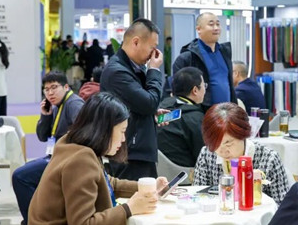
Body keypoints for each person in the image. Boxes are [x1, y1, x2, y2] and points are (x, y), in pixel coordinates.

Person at [23, 92, 168, 225]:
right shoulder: (80, 160)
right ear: (104, 129)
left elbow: (106, 182)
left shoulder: (73, 146)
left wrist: (145, 187)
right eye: (122, 132)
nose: (123, 139)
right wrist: (129, 209)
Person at [12, 71, 84, 225]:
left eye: (54, 87)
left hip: (67, 160)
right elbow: (42, 136)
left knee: (20, 176)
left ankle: (34, 224)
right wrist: (45, 115)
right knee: (25, 172)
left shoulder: (74, 104)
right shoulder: (56, 106)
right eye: (46, 89)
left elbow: (84, 133)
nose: (50, 93)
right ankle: (40, 219)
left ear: (66, 87)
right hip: (56, 157)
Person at [100, 18, 164, 181]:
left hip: (138, 150)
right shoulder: (117, 72)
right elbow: (149, 103)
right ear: (136, 42)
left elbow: (140, 105)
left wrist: (152, 114)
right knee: (134, 196)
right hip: (129, 154)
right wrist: (154, 71)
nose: (154, 54)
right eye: (152, 48)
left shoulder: (132, 68)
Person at [173, 12, 236, 110]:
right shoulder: (188, 57)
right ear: (199, 29)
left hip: (226, 112)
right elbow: (178, 91)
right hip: (201, 112)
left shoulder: (224, 52)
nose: (216, 28)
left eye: (218, 24)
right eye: (211, 24)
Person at [157, 67, 206, 168]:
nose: (205, 90)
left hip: (156, 170)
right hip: (185, 172)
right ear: (195, 90)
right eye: (204, 86)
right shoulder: (195, 118)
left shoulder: (159, 110)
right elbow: (203, 155)